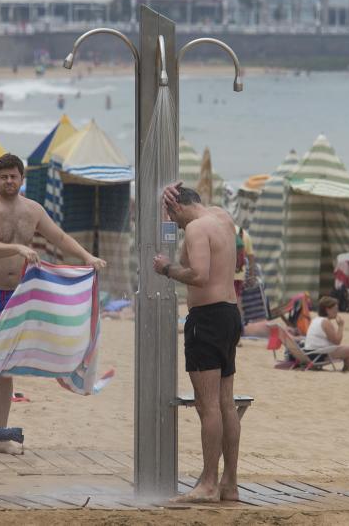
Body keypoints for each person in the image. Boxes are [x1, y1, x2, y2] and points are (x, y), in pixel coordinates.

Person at [0, 153, 106, 454]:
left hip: (15, 295)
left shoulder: (33, 209)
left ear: (22, 179)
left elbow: (60, 237)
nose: (9, 181)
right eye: (3, 177)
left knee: (3, 365)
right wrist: (18, 248)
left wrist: (87, 257)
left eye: (14, 176)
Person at [153, 184, 242, 503]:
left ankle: (207, 483)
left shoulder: (194, 228)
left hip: (207, 318)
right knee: (226, 403)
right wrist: (171, 206)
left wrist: (166, 269)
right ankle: (229, 484)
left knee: (208, 406)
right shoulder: (222, 217)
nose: (174, 225)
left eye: (172, 218)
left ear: (177, 208)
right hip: (231, 313)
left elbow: (199, 275)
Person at [304, 296, 349, 372]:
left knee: (345, 351)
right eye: (335, 309)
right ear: (327, 310)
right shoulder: (325, 322)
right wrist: (341, 326)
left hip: (311, 354)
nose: (337, 312)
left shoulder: (316, 320)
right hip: (319, 355)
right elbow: (337, 341)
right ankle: (346, 369)